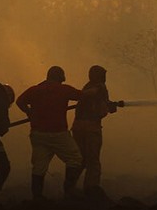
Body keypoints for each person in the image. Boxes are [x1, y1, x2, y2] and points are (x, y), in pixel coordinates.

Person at [16, 65, 84, 200]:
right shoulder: (64, 89)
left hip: (38, 134)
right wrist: (95, 91)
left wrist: (29, 113)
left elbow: (20, 101)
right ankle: (69, 191)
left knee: (39, 167)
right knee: (75, 159)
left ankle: (37, 197)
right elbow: (82, 96)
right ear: (59, 76)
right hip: (58, 133)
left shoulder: (35, 90)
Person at [71, 64, 123, 200]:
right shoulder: (100, 88)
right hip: (91, 128)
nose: (105, 78)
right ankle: (91, 191)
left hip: (77, 127)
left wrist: (110, 104)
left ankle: (69, 187)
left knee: (80, 160)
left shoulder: (87, 87)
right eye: (103, 75)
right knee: (93, 161)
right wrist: (109, 107)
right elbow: (100, 110)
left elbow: (97, 104)